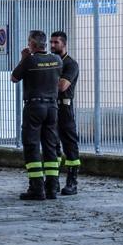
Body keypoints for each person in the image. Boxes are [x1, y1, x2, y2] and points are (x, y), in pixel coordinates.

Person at [11, 30, 62, 200]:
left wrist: (24, 58)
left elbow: (14, 77)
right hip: (52, 107)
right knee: (50, 146)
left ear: (33, 44)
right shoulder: (57, 60)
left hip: (34, 107)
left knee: (32, 146)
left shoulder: (30, 60)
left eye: (28, 42)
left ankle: (36, 188)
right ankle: (52, 188)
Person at [50, 31, 81, 196]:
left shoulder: (70, 64)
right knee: (52, 145)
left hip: (64, 108)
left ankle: (72, 182)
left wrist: (44, 81)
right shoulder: (50, 62)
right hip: (50, 107)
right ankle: (53, 182)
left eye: (56, 42)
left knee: (70, 145)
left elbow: (62, 86)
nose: (52, 45)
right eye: (51, 42)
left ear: (64, 44)